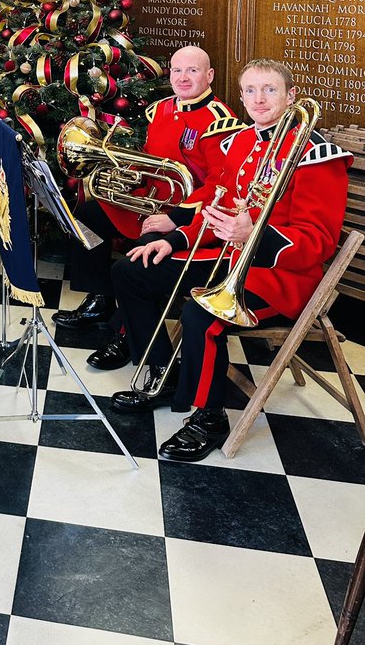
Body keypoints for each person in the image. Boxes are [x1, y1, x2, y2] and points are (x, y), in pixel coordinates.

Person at [110, 58, 351, 462]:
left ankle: (209, 416)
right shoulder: (240, 142)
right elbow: (215, 208)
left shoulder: (317, 155)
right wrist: (175, 238)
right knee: (132, 271)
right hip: (226, 255)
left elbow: (318, 242)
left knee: (200, 316)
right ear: (240, 97)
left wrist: (252, 235)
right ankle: (162, 374)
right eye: (251, 91)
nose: (259, 99)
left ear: (291, 96)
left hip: (279, 275)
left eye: (270, 90)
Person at [52, 45, 243, 370]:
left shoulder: (221, 122)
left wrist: (173, 217)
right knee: (88, 215)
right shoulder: (161, 110)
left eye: (192, 71)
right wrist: (126, 179)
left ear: (209, 75)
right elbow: (151, 162)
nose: (183, 77)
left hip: (185, 217)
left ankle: (126, 335)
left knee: (141, 255)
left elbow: (216, 187)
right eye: (177, 70)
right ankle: (100, 298)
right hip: (150, 202)